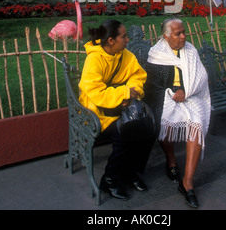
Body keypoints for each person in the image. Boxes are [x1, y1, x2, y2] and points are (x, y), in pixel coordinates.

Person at [79, 19, 154, 201]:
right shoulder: (94, 59)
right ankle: (110, 179)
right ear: (111, 40)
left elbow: (138, 77)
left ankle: (131, 172)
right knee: (125, 133)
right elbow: (95, 93)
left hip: (123, 107)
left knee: (149, 129)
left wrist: (131, 94)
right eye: (124, 36)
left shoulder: (126, 55)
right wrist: (125, 93)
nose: (127, 40)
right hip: (97, 111)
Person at [144, 18, 211, 208]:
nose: (183, 36)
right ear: (166, 36)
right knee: (165, 119)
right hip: (163, 96)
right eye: (177, 33)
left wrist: (186, 91)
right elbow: (153, 86)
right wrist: (172, 92)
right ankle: (171, 160)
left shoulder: (190, 50)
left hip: (191, 95)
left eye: (183, 32)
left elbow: (201, 77)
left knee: (196, 122)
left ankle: (187, 183)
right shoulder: (156, 54)